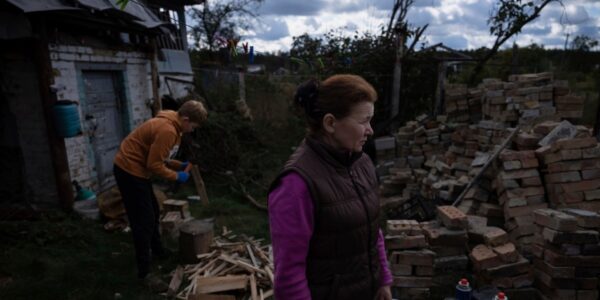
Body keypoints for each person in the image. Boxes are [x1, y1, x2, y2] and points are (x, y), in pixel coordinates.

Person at [268, 75, 393, 300]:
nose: (370, 130)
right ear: (330, 123)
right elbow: (289, 274)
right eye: (363, 121)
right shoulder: (296, 185)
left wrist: (383, 279)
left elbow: (372, 229)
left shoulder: (361, 162)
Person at [113, 100, 207, 290]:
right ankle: (145, 273)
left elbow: (159, 157)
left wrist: (177, 165)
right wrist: (177, 176)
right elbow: (153, 165)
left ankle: (157, 251)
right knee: (143, 220)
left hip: (138, 170)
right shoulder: (168, 130)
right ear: (186, 119)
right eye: (193, 126)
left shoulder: (174, 123)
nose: (191, 130)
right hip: (129, 171)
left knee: (154, 212)